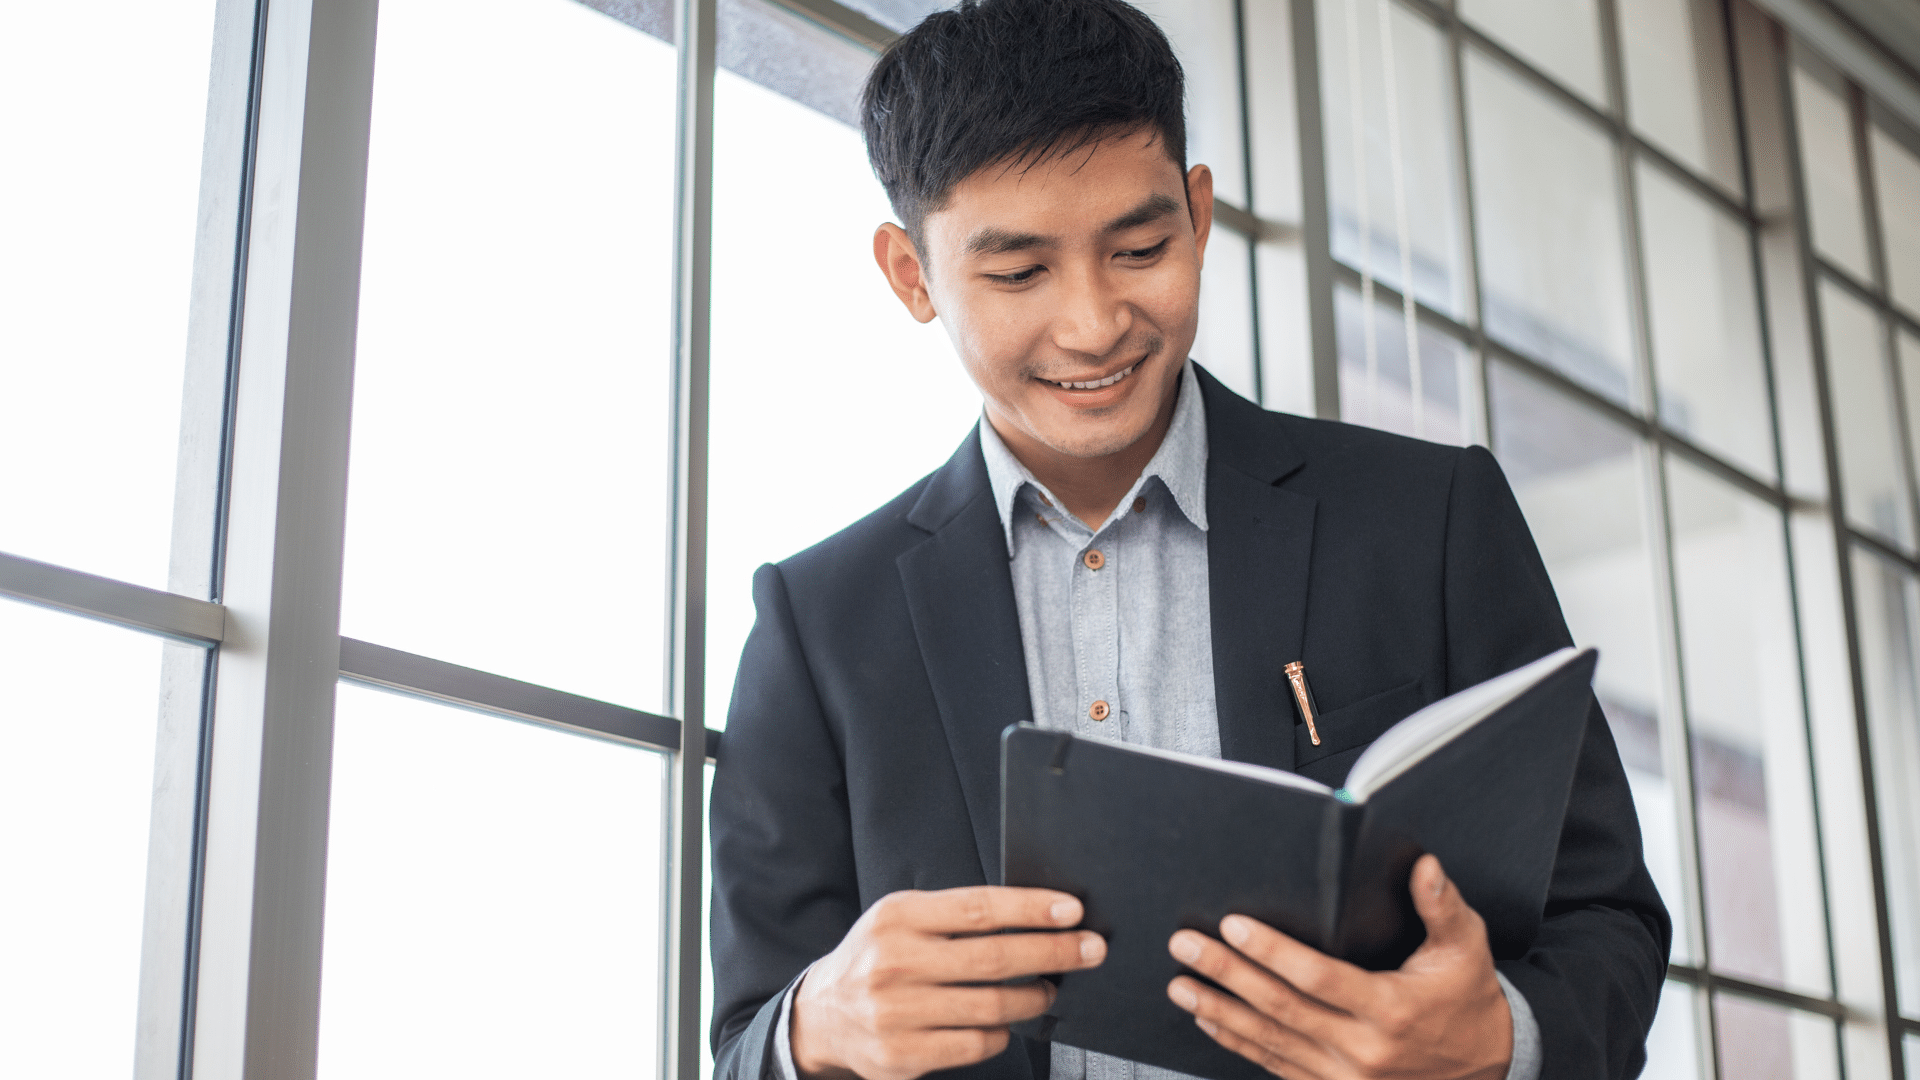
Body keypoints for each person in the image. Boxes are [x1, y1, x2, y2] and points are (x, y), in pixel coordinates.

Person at [708, 2, 1671, 1079]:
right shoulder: (818, 624)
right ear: (912, 277)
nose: (1095, 322)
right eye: (1020, 273)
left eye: (1141, 247)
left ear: (1200, 215)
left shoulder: (1431, 520)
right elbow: (745, 1038)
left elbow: (1610, 919)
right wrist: (814, 1029)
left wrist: (1501, 1038)